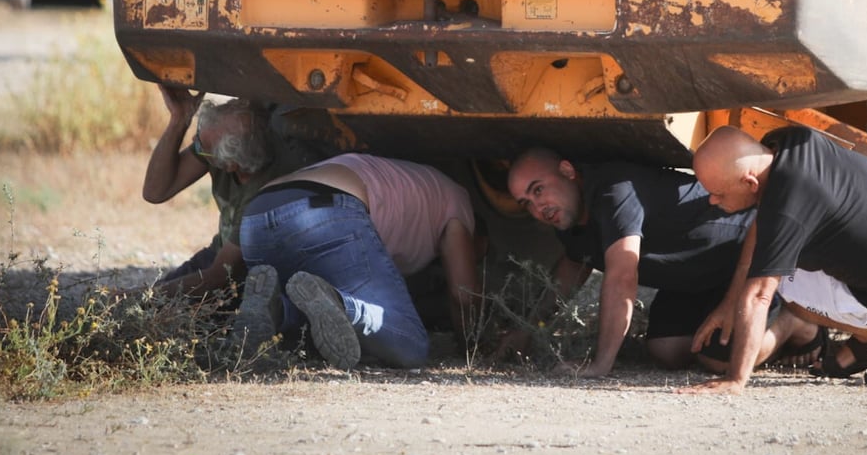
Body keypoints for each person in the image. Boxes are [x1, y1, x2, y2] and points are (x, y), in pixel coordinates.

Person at [679, 125, 867, 394]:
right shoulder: (786, 141)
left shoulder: (788, 207)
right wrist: (730, 302)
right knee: (777, 260)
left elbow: (758, 297)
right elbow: (764, 223)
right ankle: (864, 343)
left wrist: (735, 379)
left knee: (785, 290)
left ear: (750, 181)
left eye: (718, 193)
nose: (711, 202)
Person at [503, 148, 825, 378]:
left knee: (719, 362)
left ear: (567, 171)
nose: (537, 206)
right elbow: (570, 271)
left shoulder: (613, 189)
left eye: (538, 189)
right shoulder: (569, 220)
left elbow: (622, 276)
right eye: (526, 203)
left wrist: (600, 364)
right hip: (697, 280)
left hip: (746, 258)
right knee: (666, 351)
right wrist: (526, 330)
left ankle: (794, 322)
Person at [233, 152, 479, 370]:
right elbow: (464, 295)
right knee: (410, 341)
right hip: (325, 211)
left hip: (255, 217)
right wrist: (475, 347)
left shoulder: (413, 182)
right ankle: (341, 302)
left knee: (315, 305)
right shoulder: (458, 200)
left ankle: (279, 310)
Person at [141, 85, 328, 298]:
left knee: (156, 304)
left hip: (248, 275)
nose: (195, 143)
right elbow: (155, 192)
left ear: (231, 165)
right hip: (220, 257)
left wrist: (145, 295)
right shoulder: (222, 146)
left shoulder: (261, 198)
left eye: (200, 146)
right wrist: (179, 119)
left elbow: (220, 277)